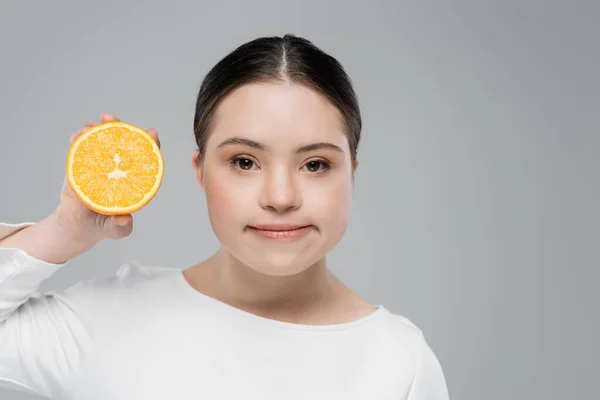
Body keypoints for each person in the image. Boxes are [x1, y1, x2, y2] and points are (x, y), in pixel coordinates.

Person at [0, 34, 449, 399]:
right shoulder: (106, 320)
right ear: (200, 171)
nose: (280, 197)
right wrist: (61, 232)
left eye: (315, 164)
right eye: (245, 162)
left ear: (350, 173)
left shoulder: (398, 362)